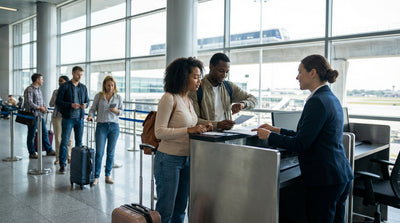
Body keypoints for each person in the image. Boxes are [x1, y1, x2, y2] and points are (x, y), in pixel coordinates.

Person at [252, 55, 354, 223]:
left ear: (312, 73)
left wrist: (270, 137)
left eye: (300, 72)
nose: (297, 77)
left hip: (324, 180)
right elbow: (308, 135)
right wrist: (275, 129)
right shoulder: (330, 98)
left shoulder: (317, 101)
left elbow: (301, 143)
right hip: (339, 175)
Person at [154, 57, 212, 223]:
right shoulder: (169, 98)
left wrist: (203, 128)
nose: (199, 81)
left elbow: (191, 125)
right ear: (182, 76)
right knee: (166, 210)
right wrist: (189, 130)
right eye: (195, 77)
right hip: (168, 160)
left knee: (180, 209)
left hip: (187, 159)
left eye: (200, 76)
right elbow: (159, 132)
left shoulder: (189, 100)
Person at [189, 52, 257, 131]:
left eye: (227, 72)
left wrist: (243, 104)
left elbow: (253, 99)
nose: (224, 75)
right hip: (207, 138)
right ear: (211, 67)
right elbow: (194, 120)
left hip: (226, 135)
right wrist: (218, 125)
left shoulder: (229, 86)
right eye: (221, 71)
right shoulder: (197, 89)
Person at [87, 76, 124, 185]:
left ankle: (107, 175)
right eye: (108, 85)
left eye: (112, 85)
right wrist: (90, 115)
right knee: (99, 153)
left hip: (114, 127)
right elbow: (93, 109)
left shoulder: (118, 97)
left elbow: (122, 111)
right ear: (104, 85)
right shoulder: (99, 96)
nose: (110, 87)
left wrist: (116, 111)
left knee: (110, 153)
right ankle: (96, 176)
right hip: (101, 126)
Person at [56, 66, 89, 174]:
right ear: (73, 74)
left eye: (81, 75)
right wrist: (71, 105)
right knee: (64, 141)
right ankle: (62, 164)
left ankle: (78, 164)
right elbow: (58, 102)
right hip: (68, 118)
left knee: (79, 143)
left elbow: (87, 101)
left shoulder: (83, 87)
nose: (79, 77)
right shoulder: (64, 86)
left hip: (80, 118)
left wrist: (85, 105)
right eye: (78, 74)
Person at [23, 73, 56, 159]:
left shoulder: (38, 90)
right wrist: (39, 108)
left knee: (44, 133)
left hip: (40, 116)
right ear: (37, 80)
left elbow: (41, 102)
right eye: (42, 79)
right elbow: (29, 103)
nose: (43, 81)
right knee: (31, 134)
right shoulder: (29, 89)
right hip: (32, 116)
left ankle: (49, 150)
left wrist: (44, 108)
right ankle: (32, 152)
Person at [49, 76, 74, 165]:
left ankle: (69, 156)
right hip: (58, 117)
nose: (60, 83)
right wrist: (58, 98)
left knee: (69, 138)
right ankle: (58, 158)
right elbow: (51, 104)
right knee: (58, 138)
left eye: (62, 81)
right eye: (59, 81)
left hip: (68, 117)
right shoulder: (56, 91)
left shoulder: (71, 91)